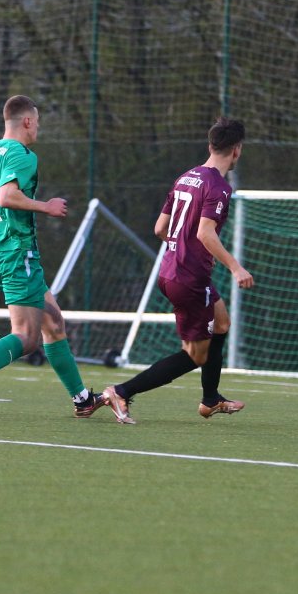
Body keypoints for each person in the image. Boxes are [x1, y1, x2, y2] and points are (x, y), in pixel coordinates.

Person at [0, 95, 105, 418]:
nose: (38, 128)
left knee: (53, 323)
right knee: (27, 338)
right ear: (27, 121)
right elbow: (5, 196)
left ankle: (83, 399)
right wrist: (46, 206)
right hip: (16, 251)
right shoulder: (22, 154)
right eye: (37, 121)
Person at [102, 117, 253, 424]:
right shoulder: (219, 187)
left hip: (171, 271)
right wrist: (236, 267)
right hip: (189, 279)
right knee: (195, 355)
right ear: (237, 150)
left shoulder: (187, 177)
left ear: (210, 145)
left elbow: (160, 228)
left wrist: (183, 247)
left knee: (221, 322)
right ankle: (121, 391)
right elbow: (205, 233)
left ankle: (211, 400)